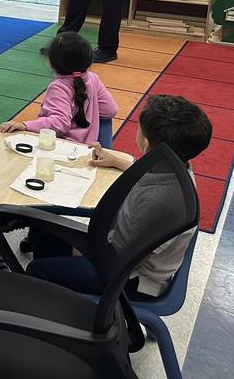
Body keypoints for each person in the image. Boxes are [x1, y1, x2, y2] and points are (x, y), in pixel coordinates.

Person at [25, 95, 211, 299]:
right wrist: (117, 161)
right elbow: (147, 173)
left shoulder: (158, 200)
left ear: (146, 143)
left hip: (131, 277)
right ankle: (56, 297)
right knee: (45, 242)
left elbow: (120, 256)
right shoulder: (173, 167)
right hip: (124, 251)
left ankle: (56, 311)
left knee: (37, 270)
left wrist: (82, 251)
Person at [0, 32, 117, 144]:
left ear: (51, 62)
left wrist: (25, 125)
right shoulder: (92, 78)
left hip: (63, 149)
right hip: (89, 148)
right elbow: (110, 110)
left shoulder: (59, 87)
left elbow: (60, 123)